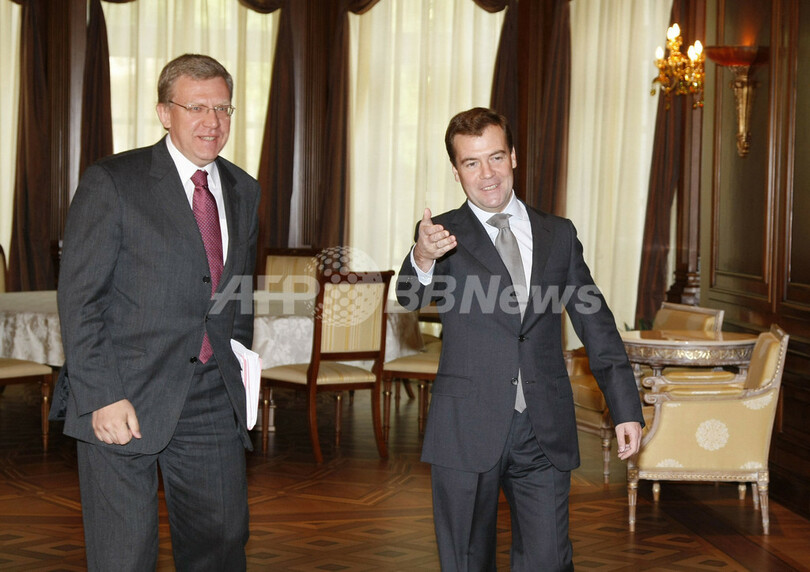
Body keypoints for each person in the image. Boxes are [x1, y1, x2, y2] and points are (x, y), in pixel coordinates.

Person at [396, 107, 643, 571]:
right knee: (467, 561)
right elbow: (410, 297)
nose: (487, 174)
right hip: (466, 427)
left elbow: (596, 323)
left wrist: (625, 406)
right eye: (471, 163)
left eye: (495, 157)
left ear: (513, 156)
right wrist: (422, 257)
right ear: (456, 171)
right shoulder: (440, 235)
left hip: (542, 428)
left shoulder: (559, 234)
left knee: (549, 561)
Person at [55, 54, 260, 571]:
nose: (212, 122)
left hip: (212, 396)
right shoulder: (113, 181)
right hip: (124, 396)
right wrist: (101, 394)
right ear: (165, 113)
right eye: (196, 107)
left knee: (222, 545)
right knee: (124, 556)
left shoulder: (243, 188)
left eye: (222, 108)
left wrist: (240, 374)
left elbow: (237, 293)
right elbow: (80, 300)